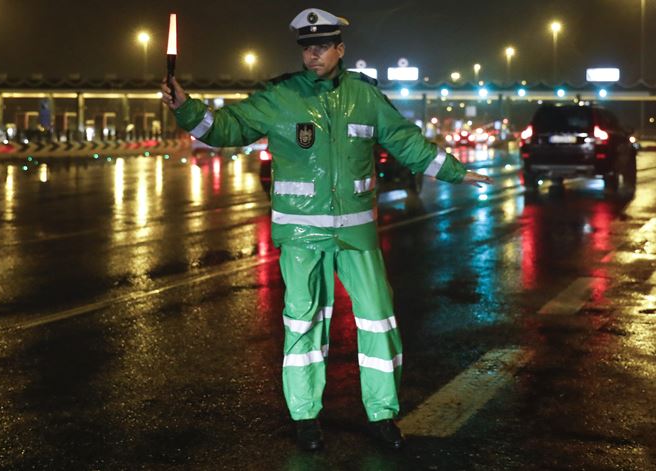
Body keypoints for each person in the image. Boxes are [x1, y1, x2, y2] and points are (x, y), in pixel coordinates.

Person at [161, 7, 493, 452]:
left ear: (340, 49)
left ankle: (382, 415)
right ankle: (305, 419)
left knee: (378, 321)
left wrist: (455, 171)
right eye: (306, 47)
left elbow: (405, 141)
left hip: (356, 235)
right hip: (300, 237)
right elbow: (226, 128)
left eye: (321, 46)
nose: (312, 55)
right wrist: (186, 108)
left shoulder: (365, 96)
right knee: (303, 326)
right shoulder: (279, 96)